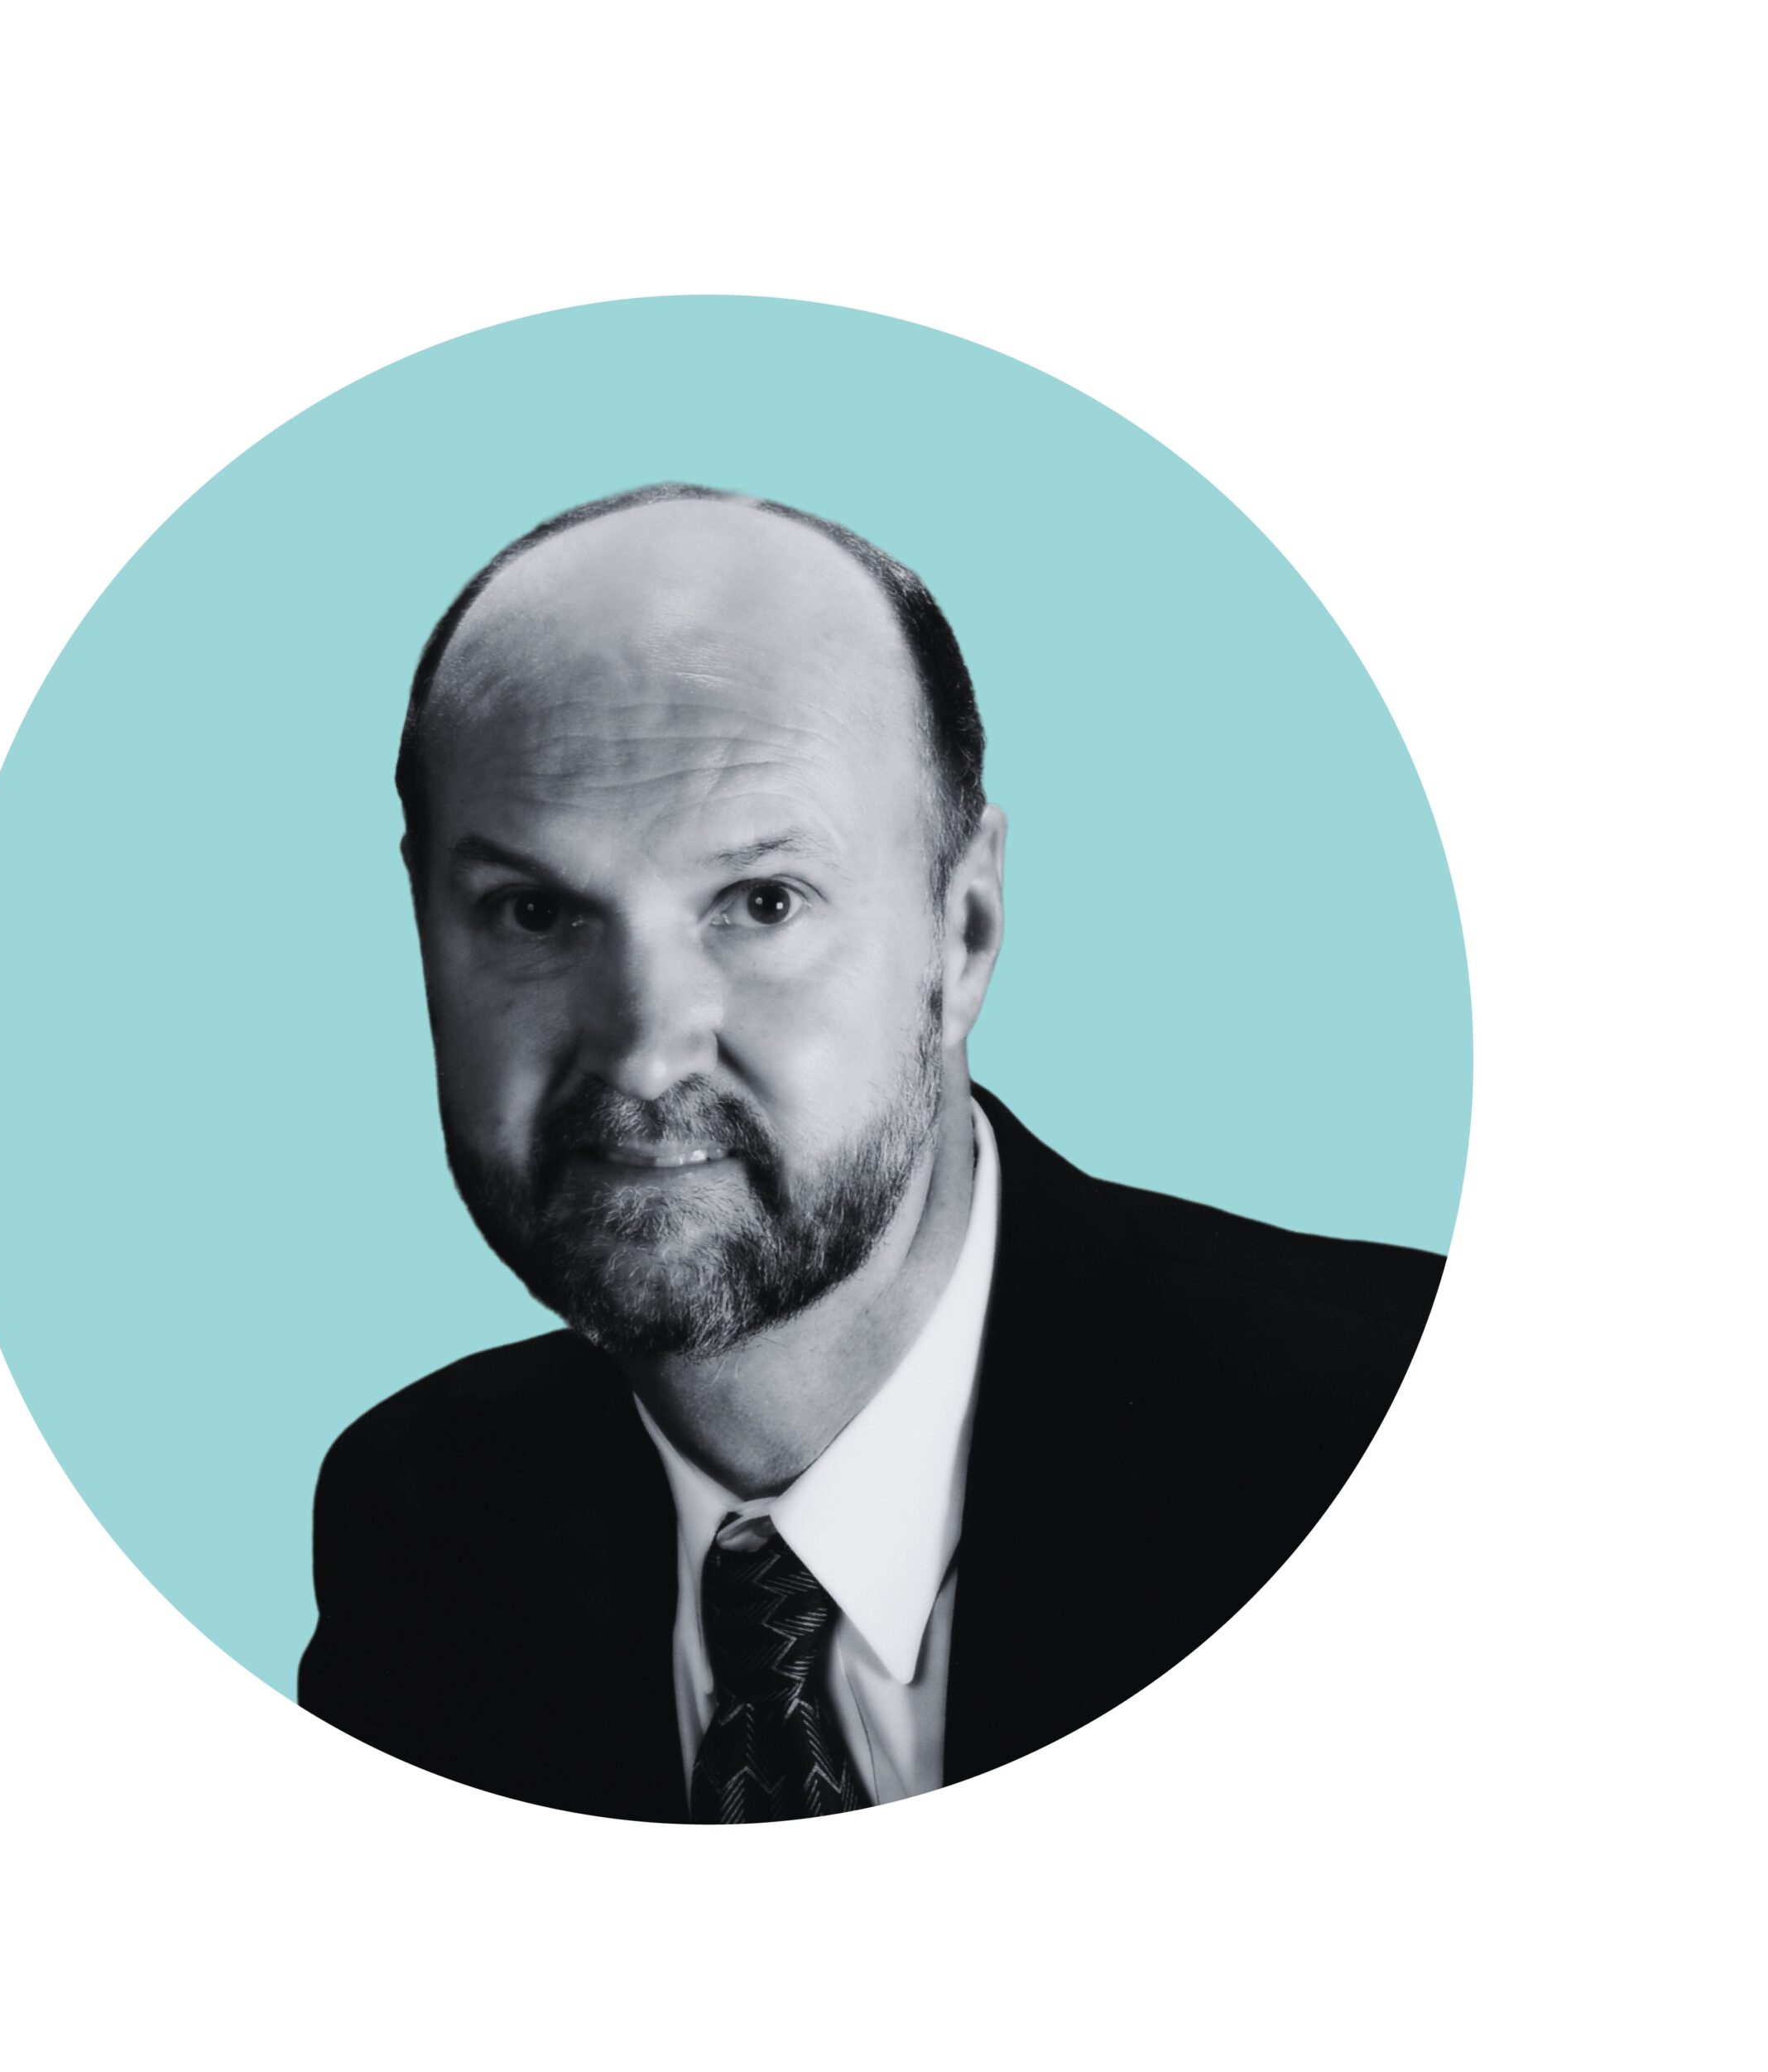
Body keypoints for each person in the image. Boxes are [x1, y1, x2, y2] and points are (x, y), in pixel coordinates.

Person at [299, 483, 1444, 1824]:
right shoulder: (421, 1523)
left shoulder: (1394, 1436)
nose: (646, 1054)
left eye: (761, 902)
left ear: (964, 932)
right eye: (535, 913)